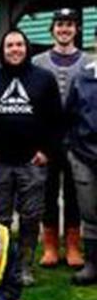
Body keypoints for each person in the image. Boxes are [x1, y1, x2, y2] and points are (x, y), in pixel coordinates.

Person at [0, 29, 62, 286]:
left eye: (19, 45)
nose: (14, 49)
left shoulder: (44, 79)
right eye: (9, 46)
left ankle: (25, 266)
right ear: (2, 51)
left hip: (32, 163)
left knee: (31, 216)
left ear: (26, 48)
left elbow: (56, 120)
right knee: (0, 218)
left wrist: (46, 151)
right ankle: (1, 265)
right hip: (0, 162)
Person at [32, 9, 87, 268]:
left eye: (69, 25)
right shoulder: (38, 62)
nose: (64, 30)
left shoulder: (89, 62)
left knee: (76, 193)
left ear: (76, 29)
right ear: (52, 29)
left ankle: (74, 246)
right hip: (47, 140)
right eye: (59, 25)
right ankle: (51, 246)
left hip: (79, 139)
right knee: (48, 192)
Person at [65, 46, 97, 285]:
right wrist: (72, 151)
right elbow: (69, 116)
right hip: (84, 155)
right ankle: (92, 265)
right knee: (90, 213)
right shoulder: (82, 77)